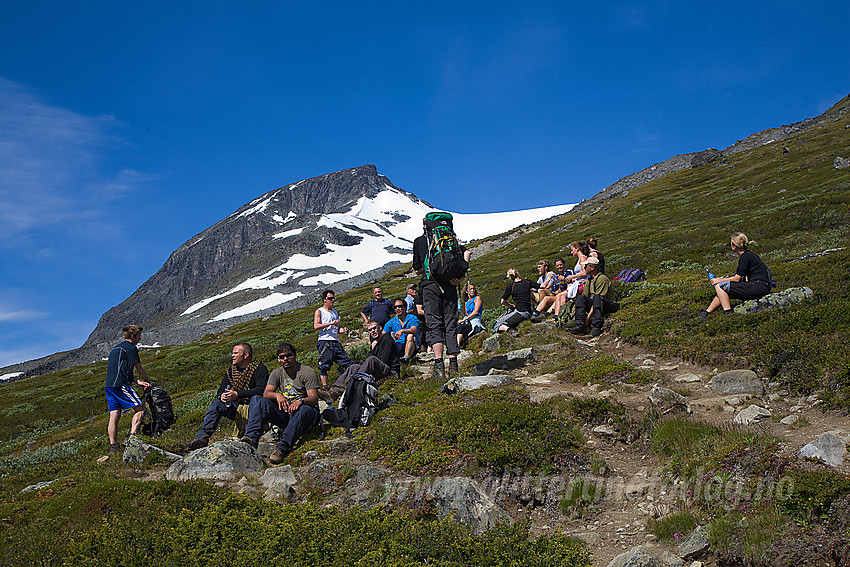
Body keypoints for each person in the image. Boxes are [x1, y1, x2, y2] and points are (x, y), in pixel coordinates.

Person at [412, 216, 472, 380]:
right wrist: (460, 276)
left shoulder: (419, 241)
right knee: (450, 322)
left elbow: (417, 269)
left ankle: (439, 367)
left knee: (435, 323)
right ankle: (453, 365)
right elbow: (467, 253)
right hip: (451, 286)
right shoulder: (451, 240)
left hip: (431, 286)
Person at [240, 343, 320, 464]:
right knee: (258, 399)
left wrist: (301, 401)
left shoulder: (307, 372)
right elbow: (266, 393)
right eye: (282, 357)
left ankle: (282, 448)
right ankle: (251, 438)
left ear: (295, 356)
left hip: (306, 413)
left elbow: (313, 398)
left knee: (303, 410)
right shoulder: (277, 373)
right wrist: (278, 395)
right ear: (278, 359)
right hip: (287, 413)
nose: (285, 359)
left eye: (289, 355)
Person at [188, 342, 269, 449]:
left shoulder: (259, 368)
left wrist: (237, 394)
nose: (232, 356)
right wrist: (222, 396)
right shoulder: (231, 371)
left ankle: (251, 437)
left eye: (235, 353)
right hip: (237, 407)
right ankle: (201, 438)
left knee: (256, 398)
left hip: (256, 408)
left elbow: (261, 390)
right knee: (216, 404)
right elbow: (221, 389)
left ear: (245, 355)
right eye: (233, 353)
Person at [319, 320, 399, 403]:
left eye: (374, 328)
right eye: (370, 330)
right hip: (380, 370)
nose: (372, 331)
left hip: (391, 373)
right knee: (353, 367)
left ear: (380, 328)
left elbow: (382, 361)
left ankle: (352, 386)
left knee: (371, 359)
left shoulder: (387, 340)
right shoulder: (375, 341)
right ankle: (333, 392)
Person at [700, 232, 771, 319]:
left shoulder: (745, 257)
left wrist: (718, 280)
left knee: (720, 286)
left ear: (734, 245)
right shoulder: (748, 255)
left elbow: (737, 278)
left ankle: (728, 312)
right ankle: (706, 313)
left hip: (758, 286)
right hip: (761, 286)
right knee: (723, 289)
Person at [104, 325, 150, 455]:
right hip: (121, 385)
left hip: (109, 386)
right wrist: (148, 381)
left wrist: (137, 381)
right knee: (140, 409)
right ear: (132, 336)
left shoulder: (116, 349)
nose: (140, 339)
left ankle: (113, 446)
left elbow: (123, 369)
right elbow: (139, 369)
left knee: (114, 415)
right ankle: (132, 438)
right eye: (138, 336)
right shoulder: (131, 348)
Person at [571, 257, 619, 337]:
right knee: (580, 298)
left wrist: (588, 318)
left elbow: (600, 298)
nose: (584, 268)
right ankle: (579, 325)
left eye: (586, 266)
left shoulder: (602, 279)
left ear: (592, 268)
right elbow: (584, 296)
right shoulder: (589, 281)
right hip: (595, 302)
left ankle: (597, 326)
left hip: (606, 304)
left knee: (597, 297)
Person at [314, 289, 353, 387]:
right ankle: (325, 387)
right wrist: (330, 323)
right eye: (330, 298)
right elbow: (316, 326)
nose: (332, 300)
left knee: (347, 362)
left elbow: (338, 329)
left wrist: (343, 330)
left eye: (333, 298)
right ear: (324, 300)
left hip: (335, 341)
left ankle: (348, 382)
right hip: (324, 340)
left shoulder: (335, 312)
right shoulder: (319, 311)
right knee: (324, 366)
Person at [492, 267, 539, 334]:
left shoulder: (511, 286)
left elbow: (503, 301)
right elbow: (540, 286)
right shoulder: (527, 282)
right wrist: (549, 279)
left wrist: (511, 305)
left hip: (521, 312)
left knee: (496, 324)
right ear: (517, 273)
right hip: (530, 311)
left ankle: (510, 330)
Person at [384, 298, 419, 363]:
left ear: (405, 307)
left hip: (412, 345)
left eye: (400, 306)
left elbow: (414, 330)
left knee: (410, 336)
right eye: (395, 307)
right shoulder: (392, 321)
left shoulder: (412, 318)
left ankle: (406, 358)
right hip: (398, 345)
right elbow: (384, 332)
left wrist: (402, 331)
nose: (397, 308)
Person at [457, 282, 484, 347]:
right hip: (468, 320)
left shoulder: (477, 298)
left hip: (475, 320)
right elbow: (467, 315)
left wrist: (464, 320)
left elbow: (475, 312)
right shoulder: (467, 302)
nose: (472, 290)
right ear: (466, 291)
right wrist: (460, 310)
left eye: (473, 289)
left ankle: (457, 344)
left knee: (460, 328)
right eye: (470, 289)